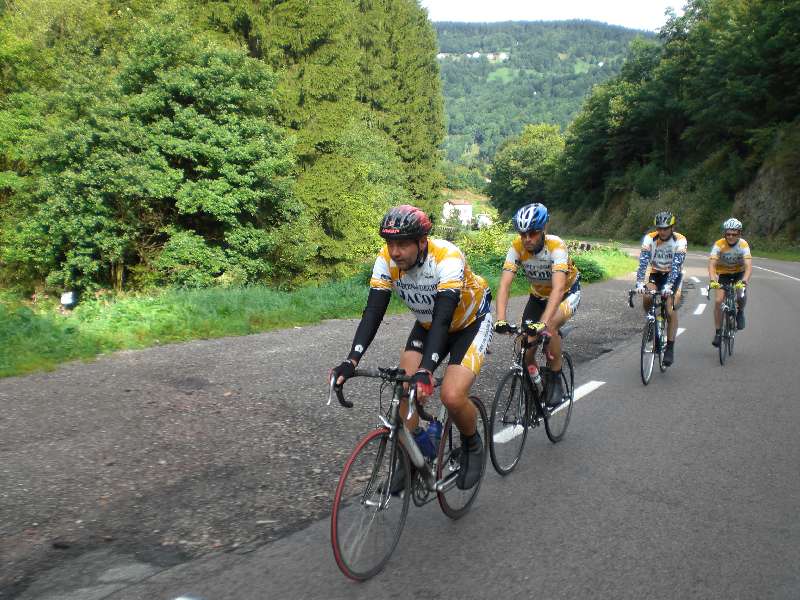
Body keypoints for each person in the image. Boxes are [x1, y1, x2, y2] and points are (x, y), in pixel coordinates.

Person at [330, 205, 493, 491]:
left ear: (422, 242)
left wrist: (427, 370)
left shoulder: (447, 256)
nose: (394, 252)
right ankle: (412, 458)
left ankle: (473, 445)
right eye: (390, 243)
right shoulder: (386, 260)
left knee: (452, 396)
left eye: (402, 244)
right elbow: (373, 313)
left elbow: (444, 317)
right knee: (402, 387)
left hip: (468, 322)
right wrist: (351, 361)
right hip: (429, 324)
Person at [493, 203, 580, 407]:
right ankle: (536, 383)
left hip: (566, 294)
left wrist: (542, 323)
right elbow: (505, 285)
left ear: (543, 230)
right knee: (524, 345)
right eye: (523, 234)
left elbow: (558, 289)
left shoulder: (556, 246)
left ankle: (556, 377)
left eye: (532, 233)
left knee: (548, 327)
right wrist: (500, 319)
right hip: (537, 296)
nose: (527, 239)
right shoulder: (516, 247)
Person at [635, 211, 687, 367]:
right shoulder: (650, 238)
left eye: (665, 228)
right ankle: (651, 321)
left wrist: (669, 286)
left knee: (669, 309)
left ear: (672, 227)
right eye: (659, 228)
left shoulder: (680, 240)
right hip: (656, 273)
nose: (662, 231)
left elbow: (677, 265)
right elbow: (643, 261)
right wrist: (639, 283)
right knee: (647, 296)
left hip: (673, 275)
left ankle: (670, 347)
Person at [708, 218, 752, 346]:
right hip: (724, 274)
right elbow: (712, 265)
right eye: (728, 234)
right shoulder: (719, 244)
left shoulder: (743, 245)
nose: (731, 237)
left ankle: (741, 312)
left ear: (739, 234)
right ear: (724, 234)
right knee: (718, 301)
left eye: (734, 234)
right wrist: (712, 280)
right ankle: (718, 332)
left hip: (739, 273)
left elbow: (748, 266)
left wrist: (744, 281)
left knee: (740, 294)